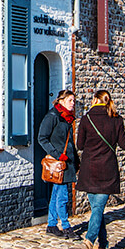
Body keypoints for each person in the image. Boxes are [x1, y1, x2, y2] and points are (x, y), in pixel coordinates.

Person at [75, 90, 125, 249]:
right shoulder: (116, 119)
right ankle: (90, 241)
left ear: (94, 100)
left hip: (89, 170)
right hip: (107, 169)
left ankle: (103, 244)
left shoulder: (86, 119)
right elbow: (124, 144)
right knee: (98, 209)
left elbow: (80, 145)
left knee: (97, 209)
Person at [36, 89, 78, 239]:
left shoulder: (68, 118)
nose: (73, 103)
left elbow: (70, 142)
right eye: (70, 100)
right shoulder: (52, 116)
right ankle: (66, 227)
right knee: (62, 197)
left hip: (67, 163)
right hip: (58, 163)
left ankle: (52, 225)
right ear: (61, 101)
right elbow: (42, 138)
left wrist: (76, 161)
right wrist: (57, 154)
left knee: (56, 195)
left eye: (74, 101)